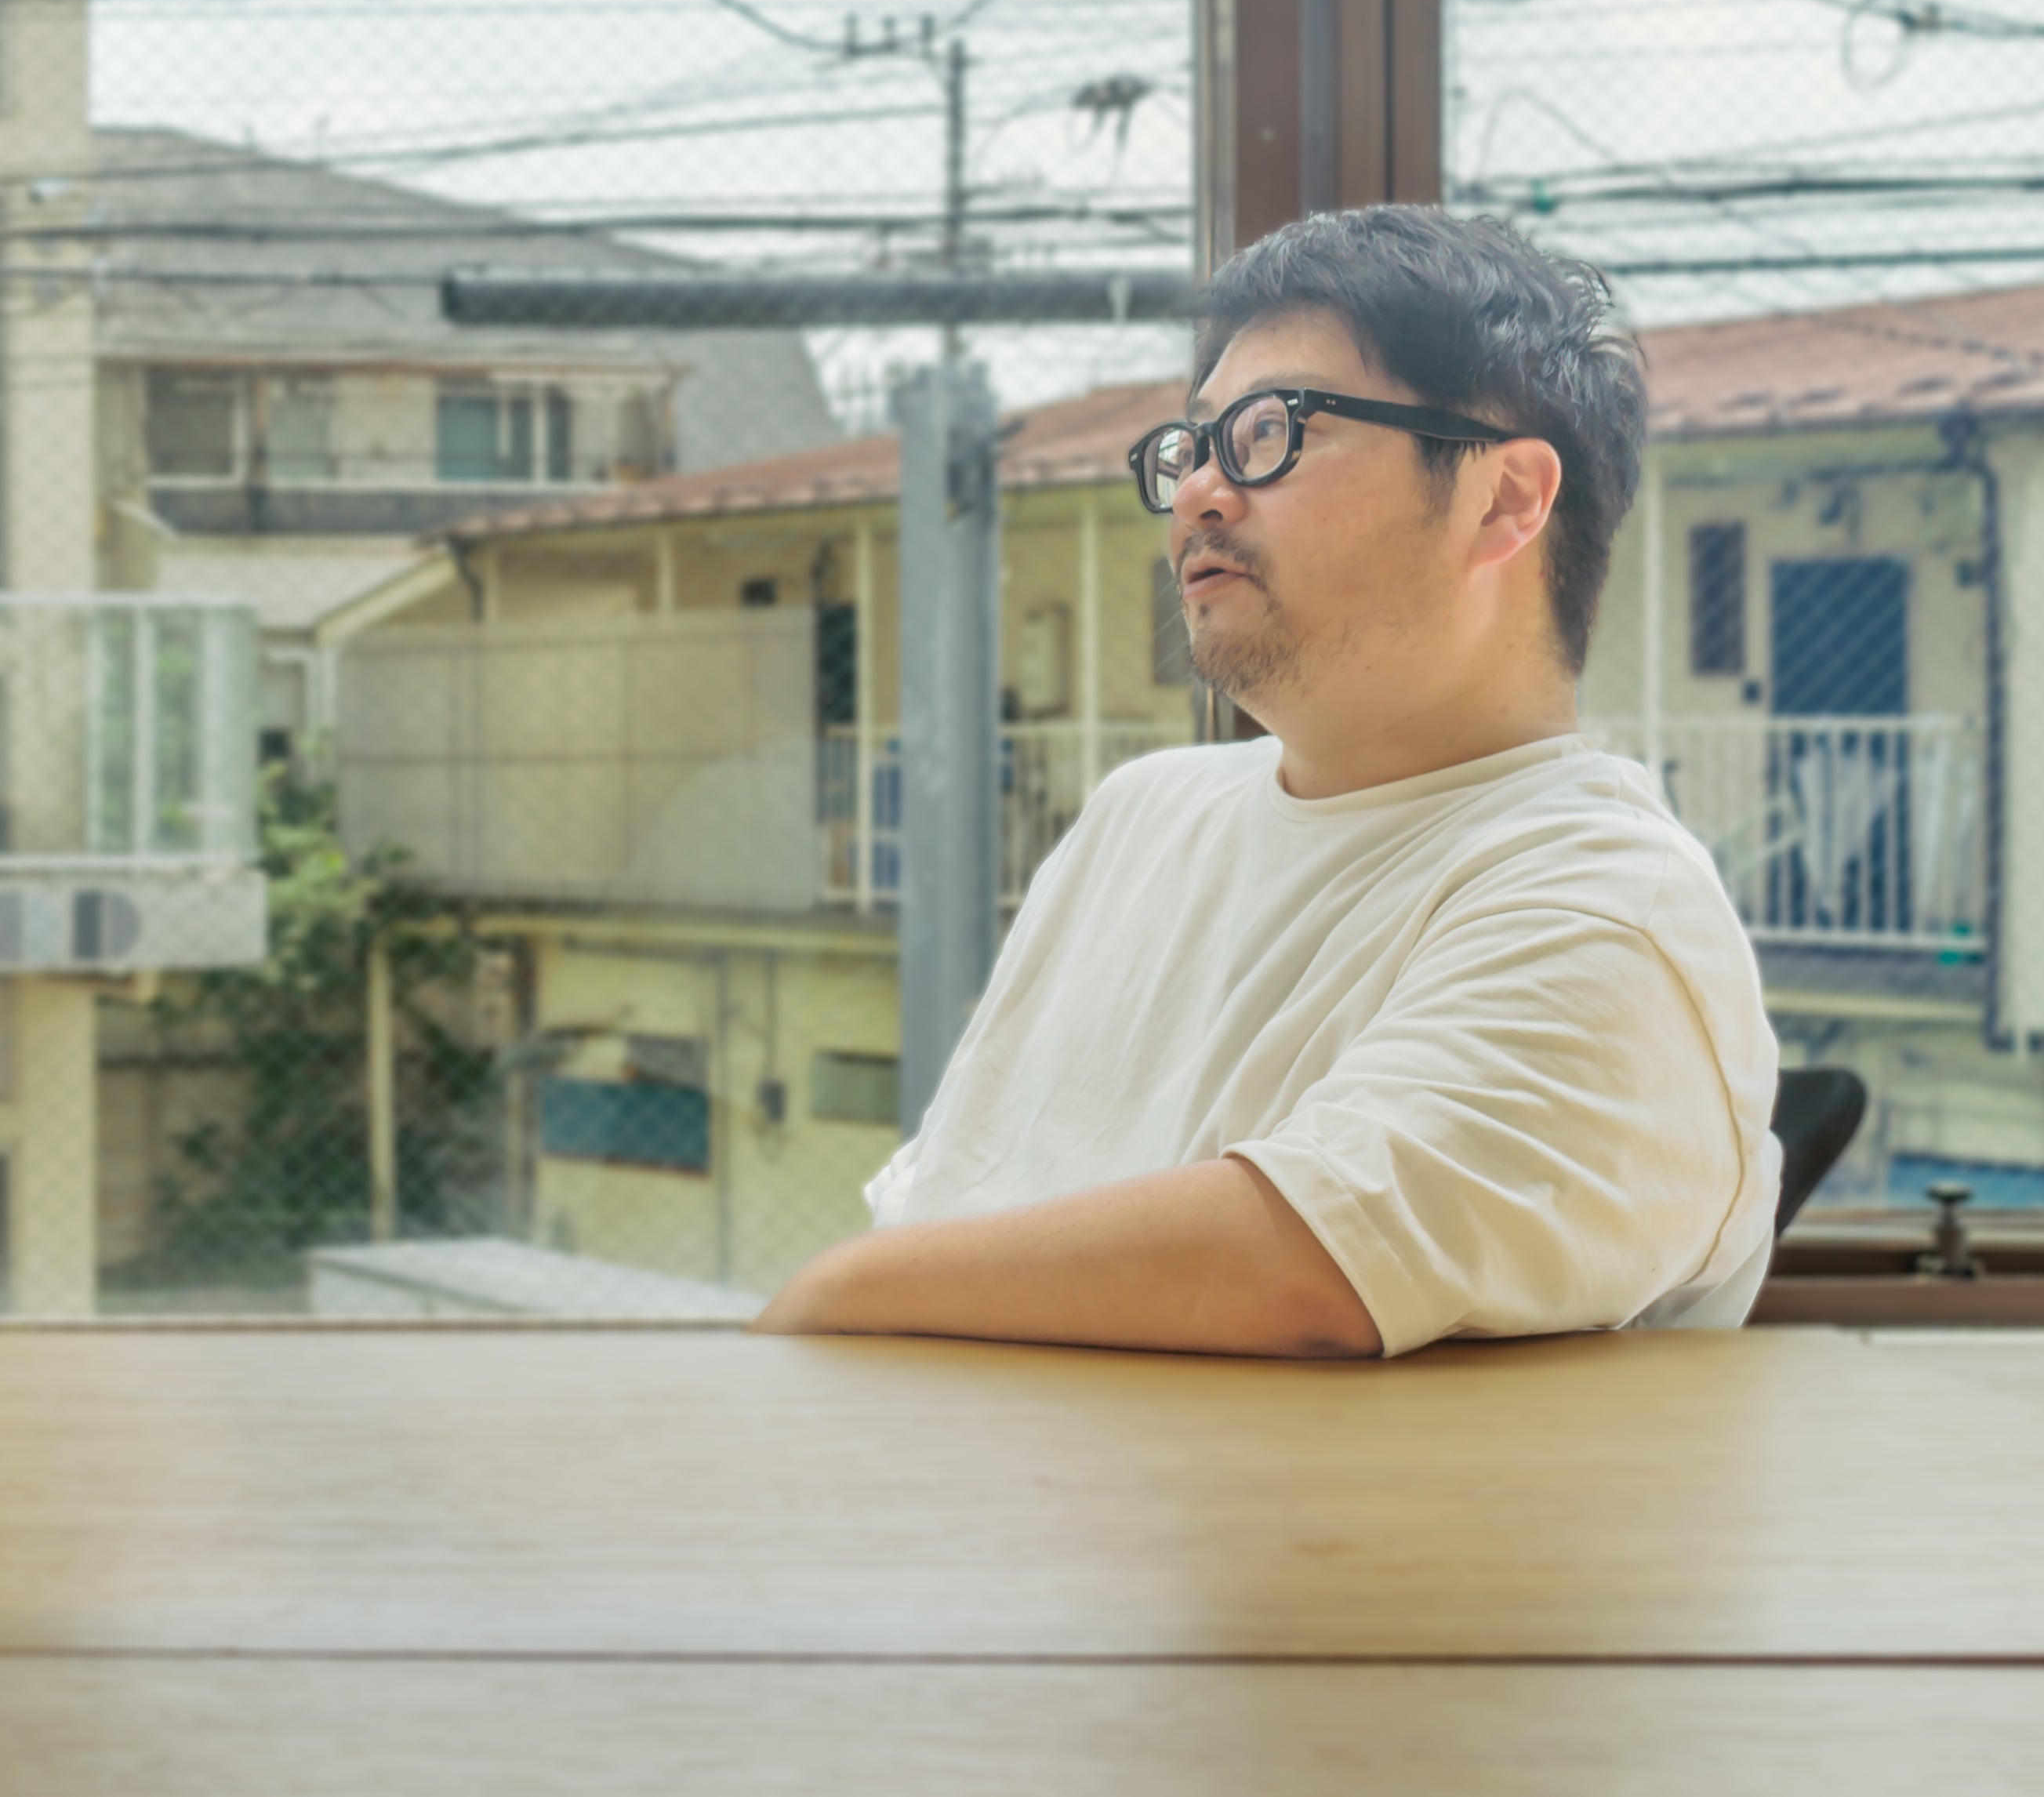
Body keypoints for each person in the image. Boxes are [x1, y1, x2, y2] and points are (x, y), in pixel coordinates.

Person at [756, 207, 1780, 1360]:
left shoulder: (1607, 907)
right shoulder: (1142, 815)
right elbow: (956, 1205)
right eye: (1192, 445)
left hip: (1315, 1543)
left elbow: (1313, 1265)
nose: (1198, 491)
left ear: (1504, 500)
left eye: (1270, 432)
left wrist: (840, 1291)